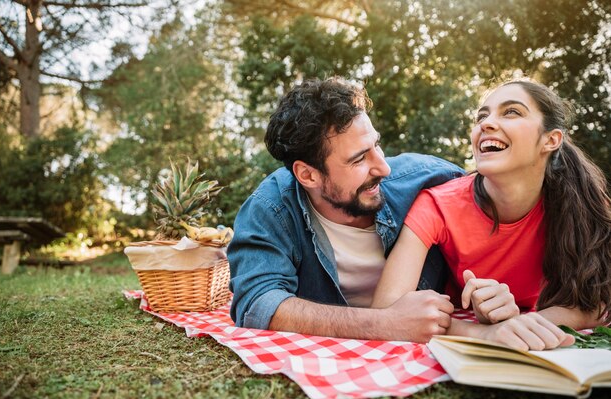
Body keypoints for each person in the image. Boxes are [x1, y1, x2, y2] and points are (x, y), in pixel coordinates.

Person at [372, 79, 611, 350]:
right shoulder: (436, 204)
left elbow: (599, 303)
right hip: (466, 316)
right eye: (482, 116)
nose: (486, 123)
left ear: (551, 140)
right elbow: (386, 309)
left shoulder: (582, 202)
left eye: (511, 112)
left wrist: (524, 324)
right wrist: (484, 333)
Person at [227, 76, 464, 340]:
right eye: (359, 159)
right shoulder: (270, 208)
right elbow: (257, 304)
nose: (383, 168)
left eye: (376, 145)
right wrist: (384, 324)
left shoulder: (430, 178)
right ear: (308, 175)